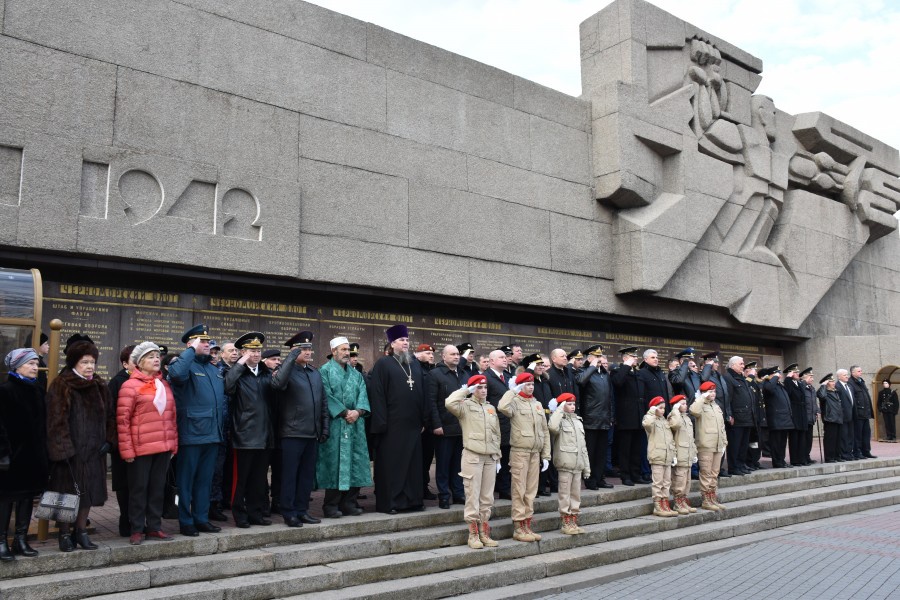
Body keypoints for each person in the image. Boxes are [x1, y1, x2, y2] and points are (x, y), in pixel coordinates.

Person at [46, 340, 116, 551]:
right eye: (84, 362)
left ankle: (81, 531)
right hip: (71, 452)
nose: (89, 367)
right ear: (74, 363)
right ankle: (64, 533)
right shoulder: (62, 384)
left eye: (92, 362)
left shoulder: (100, 385)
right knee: (67, 494)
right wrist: (63, 450)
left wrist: (109, 441)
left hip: (94, 451)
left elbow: (110, 417)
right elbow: (56, 420)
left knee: (87, 493)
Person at [167, 324, 226, 537]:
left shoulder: (212, 369)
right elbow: (176, 375)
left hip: (212, 434)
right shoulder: (184, 365)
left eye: (208, 341)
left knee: (204, 481)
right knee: (186, 481)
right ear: (189, 344)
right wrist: (190, 351)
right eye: (201, 341)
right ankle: (185, 520)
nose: (207, 344)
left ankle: (201, 518)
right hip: (191, 434)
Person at [117, 342, 178, 544]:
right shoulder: (130, 386)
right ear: (140, 362)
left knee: (157, 489)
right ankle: (136, 528)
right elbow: (123, 421)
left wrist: (172, 445)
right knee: (138, 489)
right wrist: (127, 450)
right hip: (141, 448)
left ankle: (154, 527)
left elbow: (171, 417)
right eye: (151, 357)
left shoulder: (164, 384)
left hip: (162, 446)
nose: (156, 360)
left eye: (157, 356)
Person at [367, 324, 432, 514]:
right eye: (401, 340)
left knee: (413, 464)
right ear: (392, 343)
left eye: (407, 340)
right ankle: (391, 503)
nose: (405, 343)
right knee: (393, 465)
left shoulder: (414, 364)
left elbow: (423, 393)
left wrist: (423, 421)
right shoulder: (383, 364)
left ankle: (413, 501)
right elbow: (377, 395)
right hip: (391, 426)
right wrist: (381, 424)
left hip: (413, 425)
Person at [272, 331, 329, 526]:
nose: (308, 351)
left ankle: (302, 509)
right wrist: (289, 359)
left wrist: (324, 427)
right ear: (293, 351)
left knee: (306, 476)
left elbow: (322, 402)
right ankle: (289, 512)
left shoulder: (314, 373)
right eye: (303, 349)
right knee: (290, 475)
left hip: (311, 432)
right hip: (292, 432)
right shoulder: (286, 371)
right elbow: (278, 385)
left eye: (309, 348)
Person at [0, 349, 49, 560]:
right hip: (11, 457)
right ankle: (1, 541)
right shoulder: (5, 390)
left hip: (32, 456)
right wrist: (3, 453)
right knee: (6, 499)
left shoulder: (38, 390)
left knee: (27, 498)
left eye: (36, 363)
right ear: (17, 366)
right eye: (30, 364)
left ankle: (21, 539)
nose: (35, 367)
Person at [317, 337, 371, 518]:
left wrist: (358, 411)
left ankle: (349, 502)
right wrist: (343, 412)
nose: (347, 353)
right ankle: (331, 505)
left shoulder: (356, 374)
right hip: (336, 424)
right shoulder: (324, 371)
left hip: (355, 424)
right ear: (333, 351)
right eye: (343, 350)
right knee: (334, 464)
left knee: (356, 462)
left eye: (348, 350)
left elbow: (363, 394)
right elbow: (325, 395)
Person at [445, 374, 501, 549]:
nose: (483, 390)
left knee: (487, 498)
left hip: (490, 457)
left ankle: (484, 532)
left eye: (485, 387)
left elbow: (496, 434)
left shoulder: (491, 408)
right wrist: (466, 390)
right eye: (479, 387)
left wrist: (498, 456)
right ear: (472, 390)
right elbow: (449, 402)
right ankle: (473, 534)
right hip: (473, 456)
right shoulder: (465, 406)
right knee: (472, 495)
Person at [225, 332, 275, 528]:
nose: (255, 354)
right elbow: (228, 386)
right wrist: (239, 364)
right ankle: (240, 514)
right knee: (241, 480)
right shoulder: (238, 374)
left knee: (258, 479)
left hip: (264, 435)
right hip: (245, 434)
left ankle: (255, 513)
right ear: (243, 352)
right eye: (251, 351)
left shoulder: (265, 374)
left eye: (258, 351)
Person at [498, 372, 550, 543]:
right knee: (519, 490)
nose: (530, 387)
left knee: (530, 491)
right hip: (520, 451)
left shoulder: (537, 403)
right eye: (526, 384)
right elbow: (502, 407)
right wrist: (513, 390)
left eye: (532, 384)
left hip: (535, 453)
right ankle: (519, 526)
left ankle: (527, 523)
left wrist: (546, 454)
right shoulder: (514, 401)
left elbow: (544, 431)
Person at [428, 345, 466, 509]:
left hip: (462, 426)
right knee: (443, 464)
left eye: (458, 354)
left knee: (458, 464)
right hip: (444, 427)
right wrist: (436, 424)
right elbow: (431, 402)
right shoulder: (435, 374)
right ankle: (444, 495)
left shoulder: (464, 374)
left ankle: (458, 493)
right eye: (452, 354)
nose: (456, 357)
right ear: (443, 357)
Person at [548, 392, 589, 535]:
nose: (572, 406)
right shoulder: (558, 419)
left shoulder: (578, 421)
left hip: (577, 464)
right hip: (565, 463)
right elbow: (552, 427)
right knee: (565, 494)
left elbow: (583, 447)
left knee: (575, 494)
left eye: (573, 404)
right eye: (568, 404)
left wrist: (586, 467)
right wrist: (559, 409)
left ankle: (573, 520)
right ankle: (565, 521)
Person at [576, 345, 614, 490]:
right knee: (590, 452)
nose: (599, 359)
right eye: (596, 357)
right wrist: (591, 367)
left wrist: (611, 415)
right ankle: (589, 479)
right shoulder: (583, 371)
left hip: (604, 418)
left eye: (601, 357)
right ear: (589, 358)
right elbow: (580, 381)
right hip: (590, 418)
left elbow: (609, 398)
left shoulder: (604, 374)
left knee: (601, 452)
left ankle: (599, 478)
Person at [108, 344, 136, 537]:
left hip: (141, 442)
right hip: (122, 442)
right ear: (125, 363)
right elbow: (112, 415)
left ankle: (136, 520)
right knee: (124, 484)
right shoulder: (118, 382)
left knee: (138, 484)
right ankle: (125, 519)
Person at [611, 347, 647, 486]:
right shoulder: (618, 371)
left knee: (637, 448)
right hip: (626, 416)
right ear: (625, 358)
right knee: (625, 449)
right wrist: (625, 366)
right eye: (633, 356)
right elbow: (618, 382)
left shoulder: (638, 373)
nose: (636, 358)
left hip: (639, 415)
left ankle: (635, 474)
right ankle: (625, 475)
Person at [690, 381, 727, 511]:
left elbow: (722, 426)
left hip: (718, 444)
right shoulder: (700, 404)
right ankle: (706, 499)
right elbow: (693, 411)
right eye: (710, 392)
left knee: (714, 473)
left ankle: (712, 498)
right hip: (706, 444)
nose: (713, 394)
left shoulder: (716, 406)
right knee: (706, 472)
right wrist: (702, 397)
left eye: (714, 391)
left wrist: (724, 442)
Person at [643, 395, 678, 517]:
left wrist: (673, 454)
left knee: (666, 482)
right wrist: (652, 411)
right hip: (657, 456)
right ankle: (658, 505)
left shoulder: (665, 421)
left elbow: (671, 439)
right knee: (658, 482)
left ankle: (665, 503)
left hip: (667, 456)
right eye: (660, 408)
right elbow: (647, 424)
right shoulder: (650, 419)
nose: (662, 410)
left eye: (664, 408)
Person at [484, 349, 512, 499]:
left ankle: (505, 488)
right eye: (501, 357)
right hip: (494, 424)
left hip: (508, 424)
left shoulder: (508, 377)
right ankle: (497, 488)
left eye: (505, 357)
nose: (505, 359)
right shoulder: (485, 378)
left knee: (507, 458)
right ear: (492, 361)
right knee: (496, 458)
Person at [667, 394, 697, 515]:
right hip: (680, 453)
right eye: (682, 404)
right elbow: (675, 425)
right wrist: (675, 411)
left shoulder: (687, 418)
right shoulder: (673, 417)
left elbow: (691, 437)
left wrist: (694, 452)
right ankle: (678, 502)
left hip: (688, 453)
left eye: (685, 403)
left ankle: (683, 499)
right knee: (679, 479)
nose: (685, 406)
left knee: (687, 480)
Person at [725, 356, 753, 475]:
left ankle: (741, 465)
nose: (743, 366)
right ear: (732, 365)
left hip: (746, 416)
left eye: (743, 364)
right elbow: (728, 398)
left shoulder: (741, 377)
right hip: (736, 417)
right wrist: (730, 414)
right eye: (741, 364)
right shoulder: (728, 377)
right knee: (735, 444)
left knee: (743, 444)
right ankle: (734, 467)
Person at [761, 366, 792, 468]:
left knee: (782, 443)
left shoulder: (779, 385)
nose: (779, 375)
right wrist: (774, 378)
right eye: (777, 373)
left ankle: (781, 460)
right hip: (776, 419)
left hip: (784, 418)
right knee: (776, 442)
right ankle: (777, 462)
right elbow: (768, 388)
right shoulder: (768, 383)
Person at [848, 366, 876, 459]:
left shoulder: (861, 382)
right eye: (859, 371)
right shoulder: (851, 383)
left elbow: (866, 397)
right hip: (858, 414)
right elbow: (853, 400)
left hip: (865, 413)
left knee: (866, 434)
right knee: (858, 435)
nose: (861, 372)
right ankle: (857, 452)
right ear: (853, 373)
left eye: (861, 370)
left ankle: (866, 451)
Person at [783, 364, 809, 467]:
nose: (798, 374)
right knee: (794, 438)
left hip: (802, 412)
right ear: (791, 373)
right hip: (794, 412)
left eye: (798, 372)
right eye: (795, 372)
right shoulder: (788, 382)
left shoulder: (799, 383)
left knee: (802, 437)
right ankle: (795, 460)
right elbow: (788, 392)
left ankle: (802, 459)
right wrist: (788, 378)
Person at [816, 373, 843, 462]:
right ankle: (829, 457)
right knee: (830, 440)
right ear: (827, 383)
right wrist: (823, 385)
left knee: (837, 439)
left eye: (833, 381)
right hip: (830, 419)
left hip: (838, 418)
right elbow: (822, 396)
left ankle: (837, 456)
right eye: (831, 381)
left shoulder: (835, 392)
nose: (833, 383)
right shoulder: (824, 392)